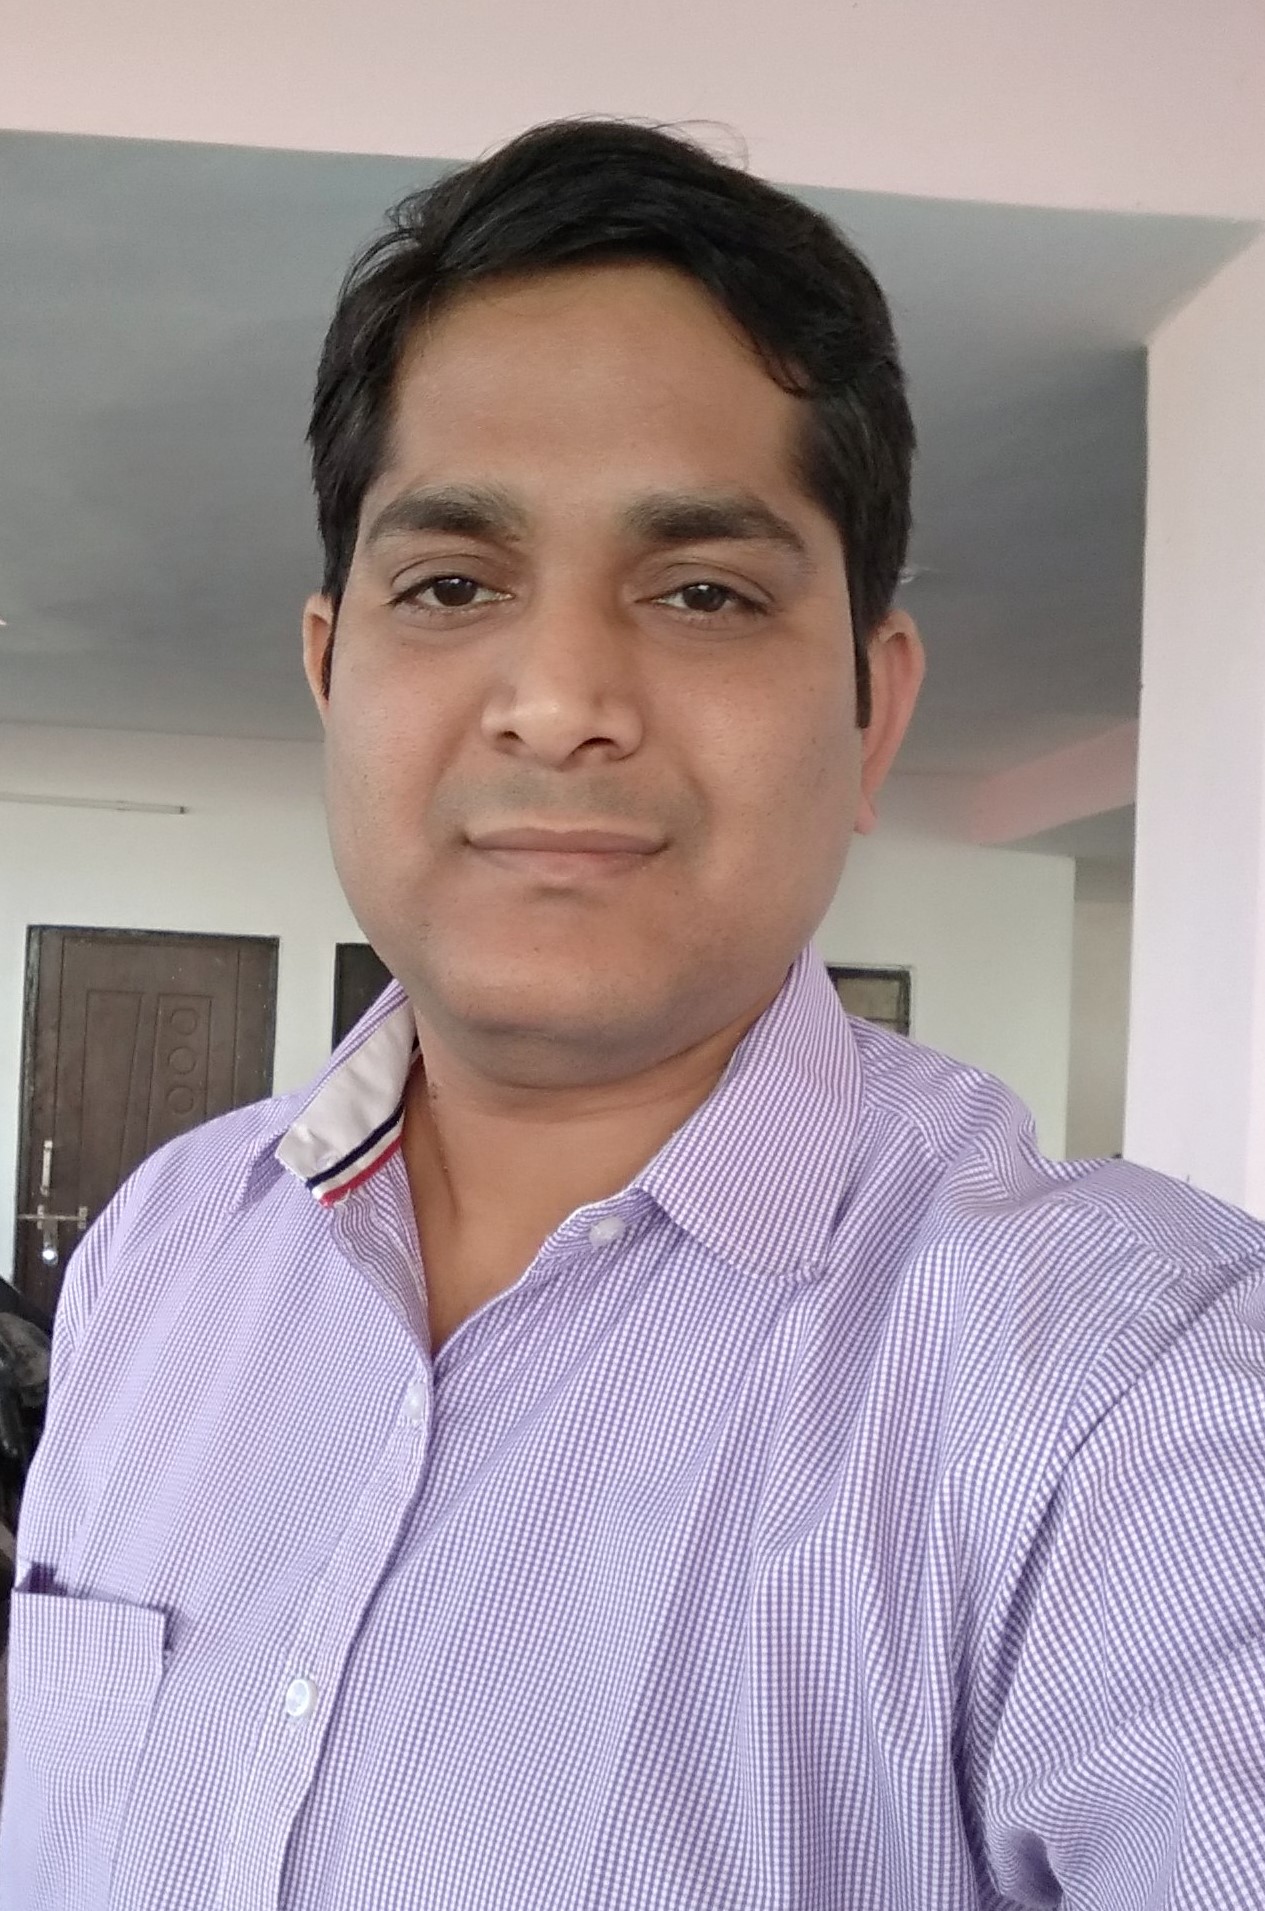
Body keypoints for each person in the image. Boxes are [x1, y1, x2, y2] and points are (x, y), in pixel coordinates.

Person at [2, 119, 1263, 1911]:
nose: (561, 698)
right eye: (452, 584)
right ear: (331, 673)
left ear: (874, 713)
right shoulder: (162, 1251)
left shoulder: (1130, 1396)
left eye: (702, 592)